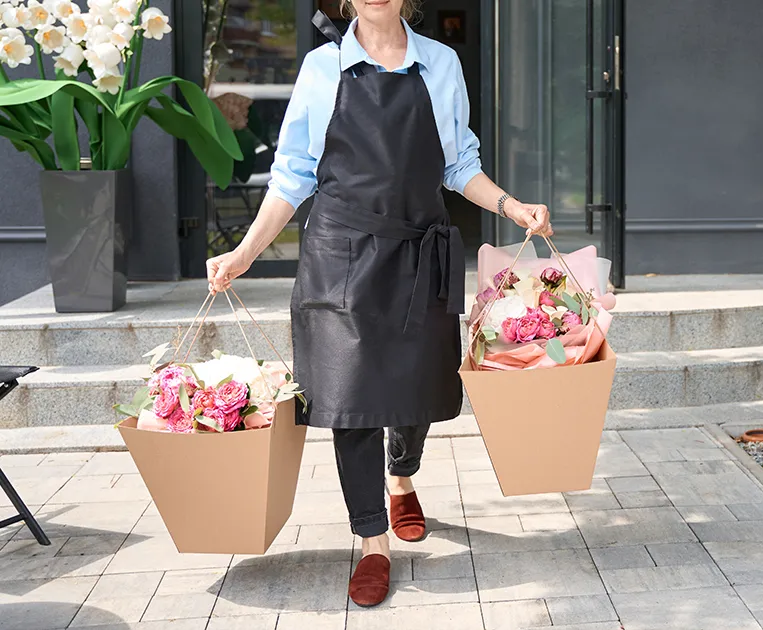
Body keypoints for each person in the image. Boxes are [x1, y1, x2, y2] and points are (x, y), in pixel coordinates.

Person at [205, 0, 551, 608]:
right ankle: (372, 539)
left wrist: (510, 207)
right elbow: (292, 175)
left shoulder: (440, 64)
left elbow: (458, 164)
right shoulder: (320, 69)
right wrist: (245, 253)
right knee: (351, 401)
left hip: (419, 257)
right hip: (340, 257)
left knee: (417, 388)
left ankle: (401, 474)